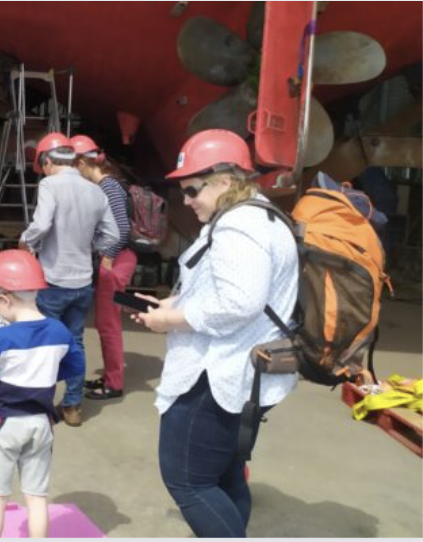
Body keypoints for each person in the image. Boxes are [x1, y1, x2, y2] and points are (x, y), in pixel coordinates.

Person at [130, 129, 298, 537]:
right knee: (226, 478)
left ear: (225, 181)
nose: (186, 201)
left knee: (189, 482)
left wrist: (169, 321)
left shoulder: (238, 227)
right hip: (244, 374)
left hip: (215, 377)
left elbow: (238, 303)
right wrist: (172, 305)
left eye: (192, 190)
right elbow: (225, 290)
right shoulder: (260, 215)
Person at [0, 249, 82, 538]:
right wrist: (47, 374)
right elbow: (77, 366)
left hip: (4, 423)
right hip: (41, 424)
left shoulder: (1, 338)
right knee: (36, 497)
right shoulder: (60, 331)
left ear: (4, 300)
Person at [19, 132, 120, 426]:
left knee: (47, 346)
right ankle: (73, 406)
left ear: (48, 161)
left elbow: (42, 223)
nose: (44, 172)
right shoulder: (95, 191)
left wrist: (26, 241)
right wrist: (90, 243)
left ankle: (44, 407)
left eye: (44, 166)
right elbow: (112, 235)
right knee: (75, 343)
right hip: (82, 283)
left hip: (53, 281)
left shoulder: (49, 184)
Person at [70, 135, 136, 400]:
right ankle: (111, 376)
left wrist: (106, 257)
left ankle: (114, 383)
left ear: (84, 163)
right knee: (105, 322)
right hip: (116, 259)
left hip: (116, 260)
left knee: (108, 324)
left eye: (74, 167)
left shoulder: (107, 187)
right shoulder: (107, 185)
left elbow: (120, 230)